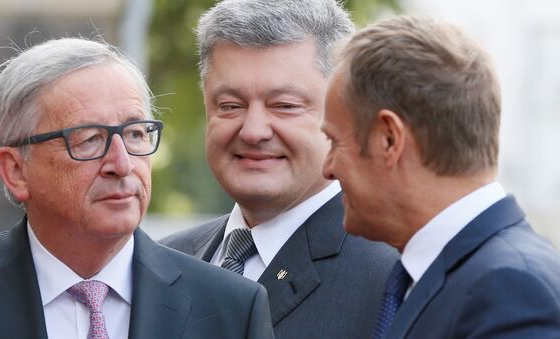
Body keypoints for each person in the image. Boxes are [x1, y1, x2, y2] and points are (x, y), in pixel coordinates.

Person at [0, 37, 274, 339]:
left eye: (135, 134)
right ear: (16, 171)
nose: (122, 164)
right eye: (89, 139)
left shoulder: (230, 310)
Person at [159, 1, 398, 338]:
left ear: (344, 112)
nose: (254, 130)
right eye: (230, 106)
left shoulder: (393, 276)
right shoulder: (161, 264)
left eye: (284, 106)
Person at [322, 15, 560, 339]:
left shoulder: (510, 290)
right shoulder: (453, 275)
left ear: (389, 139)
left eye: (335, 141)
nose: (328, 167)